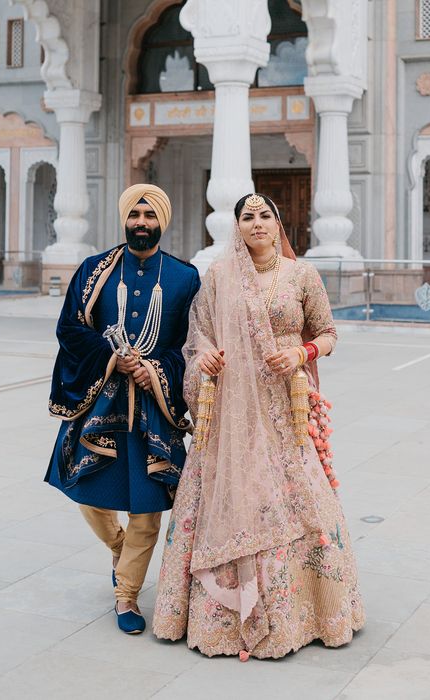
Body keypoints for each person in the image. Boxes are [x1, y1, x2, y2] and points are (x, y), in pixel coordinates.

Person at [153, 193, 364, 659]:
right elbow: (199, 334)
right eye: (247, 217)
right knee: (226, 493)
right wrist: (204, 354)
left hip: (284, 413)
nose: (256, 223)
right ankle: (223, 617)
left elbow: (328, 333)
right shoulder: (220, 277)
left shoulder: (302, 275)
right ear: (238, 227)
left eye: (265, 215)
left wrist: (300, 353)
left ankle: (307, 613)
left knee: (300, 495)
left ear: (278, 223)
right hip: (230, 415)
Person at [45, 184, 200, 635]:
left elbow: (188, 345)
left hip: (152, 404)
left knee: (147, 508)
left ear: (161, 222)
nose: (141, 223)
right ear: (124, 219)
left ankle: (127, 595)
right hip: (100, 400)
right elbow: (70, 329)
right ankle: (119, 545)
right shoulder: (95, 270)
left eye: (149, 216)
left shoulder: (183, 277)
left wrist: (151, 367)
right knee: (86, 490)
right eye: (134, 215)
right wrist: (114, 357)